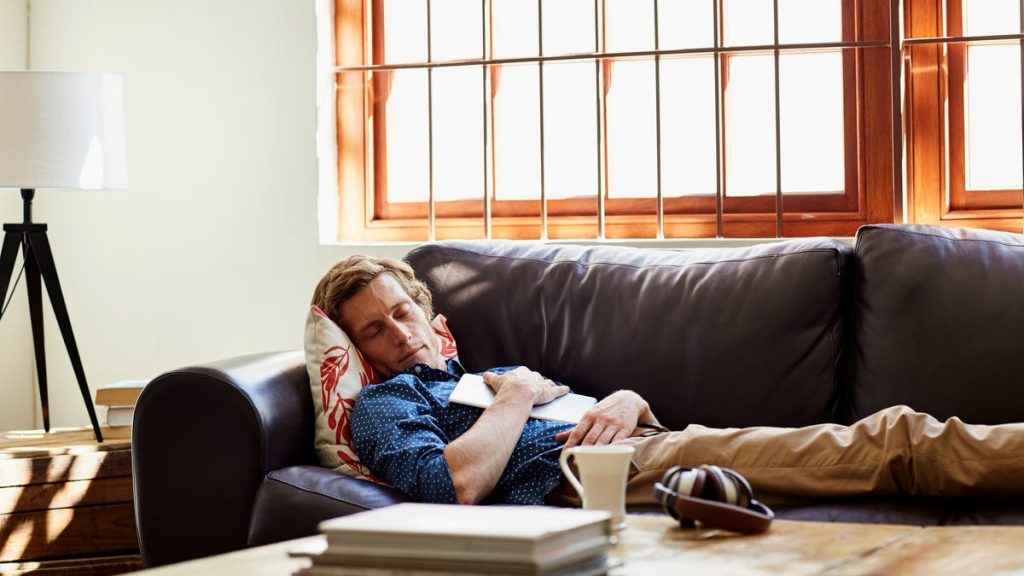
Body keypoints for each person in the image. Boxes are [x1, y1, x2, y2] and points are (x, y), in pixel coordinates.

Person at [311, 255, 1024, 508]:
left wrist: (629, 398)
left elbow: (598, 409)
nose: (398, 334)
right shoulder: (387, 402)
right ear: (358, 348)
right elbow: (452, 486)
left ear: (427, 311)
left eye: (402, 312)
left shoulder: (489, 376)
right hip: (609, 474)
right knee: (891, 443)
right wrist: (522, 396)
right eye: (373, 329)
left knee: (885, 443)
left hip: (654, 442)